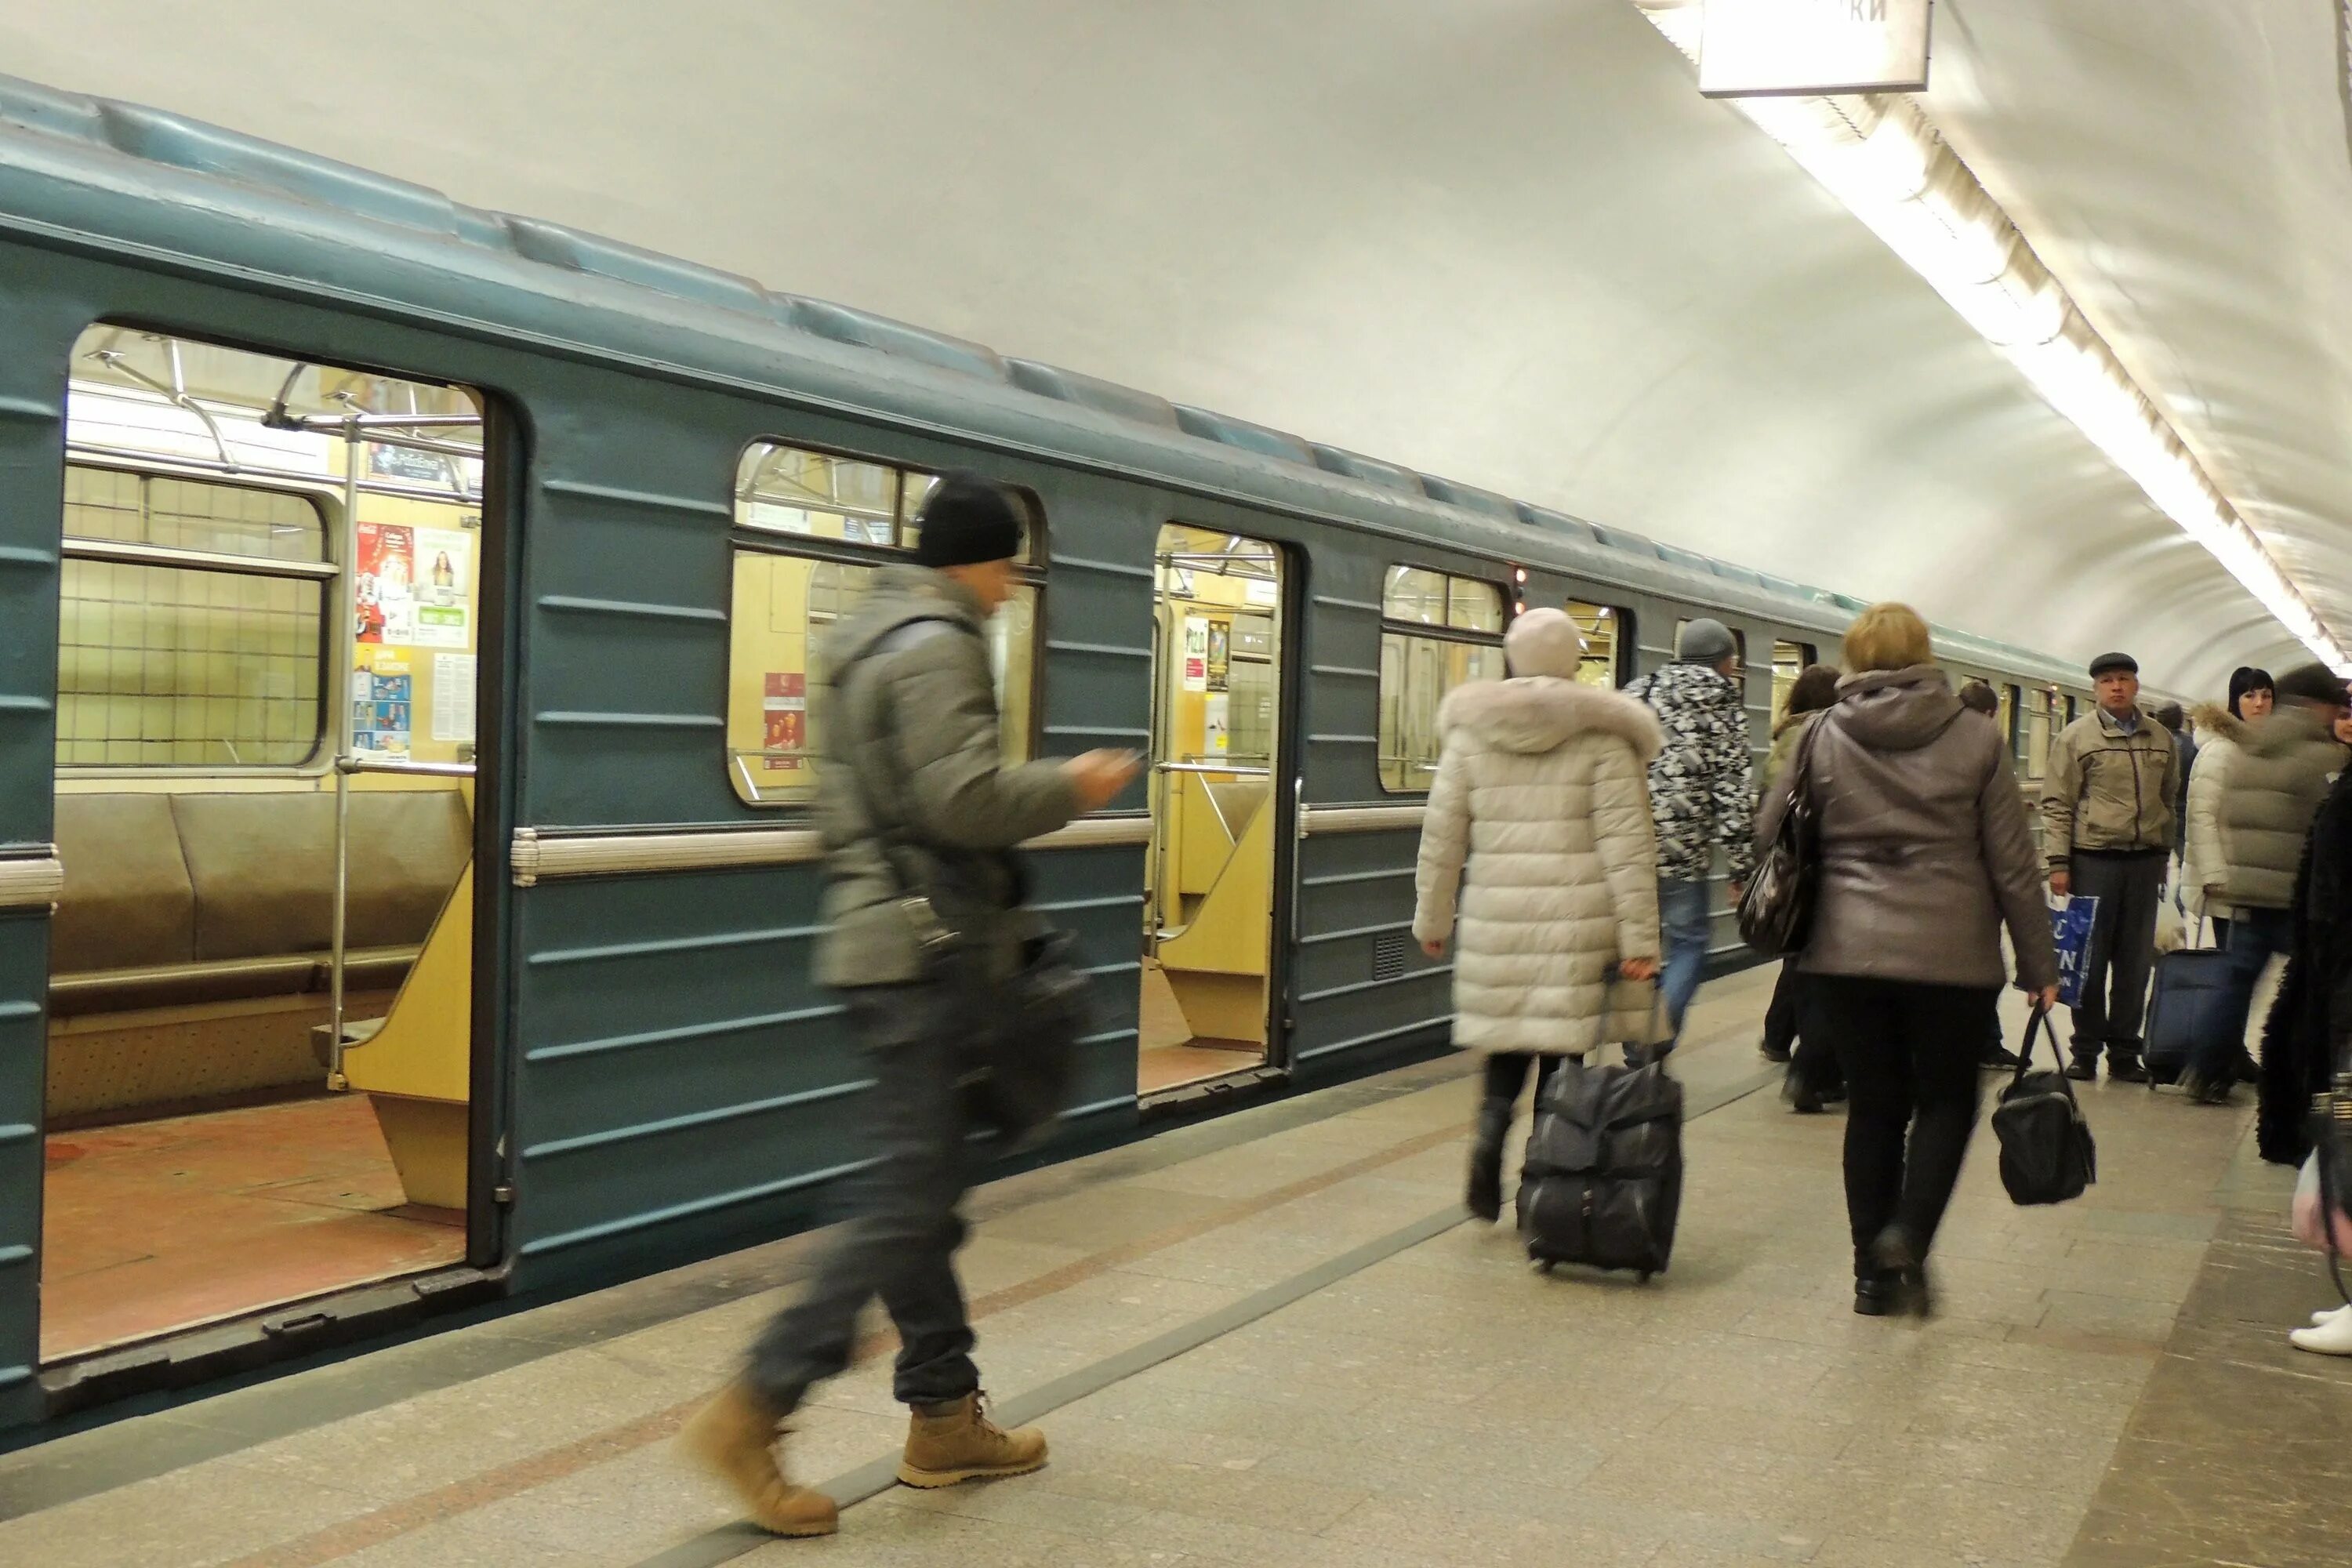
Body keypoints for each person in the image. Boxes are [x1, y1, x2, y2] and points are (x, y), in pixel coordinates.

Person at [682, 475, 1139, 1538]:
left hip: (881, 945)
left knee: (920, 1192)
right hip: (925, 957)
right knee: (899, 1199)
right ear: (977, 562)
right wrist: (1071, 786)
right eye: (1007, 571)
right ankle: (757, 1404)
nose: (1011, 593)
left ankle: (942, 1413)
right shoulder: (938, 643)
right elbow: (963, 800)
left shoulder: (864, 640)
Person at [1759, 604, 2057, 1318]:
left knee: (1875, 1107)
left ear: (1856, 658)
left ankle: (1870, 1277)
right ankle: (1908, 1236)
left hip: (1844, 952)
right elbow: (2013, 866)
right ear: (1925, 655)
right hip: (1951, 957)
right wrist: (2039, 965)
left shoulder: (1820, 732)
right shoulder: (1978, 737)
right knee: (1947, 1099)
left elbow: (1771, 827)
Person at [1412, 608, 1667, 1221]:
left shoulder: (1470, 736)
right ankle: (1542, 1181)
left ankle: (1487, 1141)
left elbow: (1442, 837)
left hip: (1498, 913)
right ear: (1572, 660)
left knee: (1505, 1047)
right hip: (1575, 920)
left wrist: (1432, 919)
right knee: (1563, 1059)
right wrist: (1640, 940)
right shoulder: (1605, 738)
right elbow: (1627, 847)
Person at [2181, 666, 2352, 1103]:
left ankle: (2206, 1068)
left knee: (2236, 981)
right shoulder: (2322, 758)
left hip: (2249, 888)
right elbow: (2328, 828)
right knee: (2318, 985)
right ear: (2319, 706)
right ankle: (2309, 1077)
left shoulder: (2248, 748)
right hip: (2297, 894)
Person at [2042, 652, 2178, 1083]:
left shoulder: (2161, 739)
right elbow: (2058, 804)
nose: (2116, 686)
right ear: (2095, 690)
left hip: (2143, 862)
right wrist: (2058, 863)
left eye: (2123, 679)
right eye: (2107, 681)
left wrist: (2162, 854)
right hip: (2093, 859)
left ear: (2136, 685)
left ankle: (2124, 1052)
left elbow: (2170, 800)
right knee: (2090, 960)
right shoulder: (2076, 738)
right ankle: (2085, 1050)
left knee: (2135, 962)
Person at [1624, 618, 1755, 1052]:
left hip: (1626, 846)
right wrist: (1741, 866)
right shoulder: (1723, 699)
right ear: (1726, 661)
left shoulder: (1638, 691)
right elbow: (1732, 788)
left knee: (1635, 948)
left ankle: (1631, 1034)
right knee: (1688, 943)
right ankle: (1653, 1040)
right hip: (1683, 854)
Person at [1757, 663, 1845, 1111]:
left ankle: (1801, 1059)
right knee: (1822, 975)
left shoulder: (1785, 739)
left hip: (1792, 870)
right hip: (1818, 868)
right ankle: (1813, 1072)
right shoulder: (1822, 738)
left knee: (1805, 967)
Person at [1958, 680, 2028, 1072]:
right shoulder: (1990, 752)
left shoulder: (1938, 748)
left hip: (1948, 881)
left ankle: (1983, 1040)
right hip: (1978, 880)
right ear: (1990, 714)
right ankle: (1984, 1042)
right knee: (1983, 967)